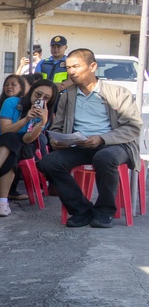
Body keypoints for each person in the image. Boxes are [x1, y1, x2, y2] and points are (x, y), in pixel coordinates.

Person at [37, 49, 143, 228]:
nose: (71, 71)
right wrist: (57, 140)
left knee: (104, 157)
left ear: (92, 66)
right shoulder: (67, 96)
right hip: (80, 145)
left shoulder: (118, 93)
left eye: (76, 66)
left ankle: (104, 210)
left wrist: (101, 138)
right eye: (69, 67)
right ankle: (82, 210)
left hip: (114, 145)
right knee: (48, 162)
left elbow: (133, 127)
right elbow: (57, 127)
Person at [0, 80, 56, 217]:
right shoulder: (12, 102)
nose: (40, 100)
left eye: (46, 98)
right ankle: (2, 203)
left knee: (13, 145)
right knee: (10, 141)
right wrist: (26, 118)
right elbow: (5, 130)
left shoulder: (46, 115)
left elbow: (28, 139)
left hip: (25, 145)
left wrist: (42, 122)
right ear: (30, 92)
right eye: (38, 94)